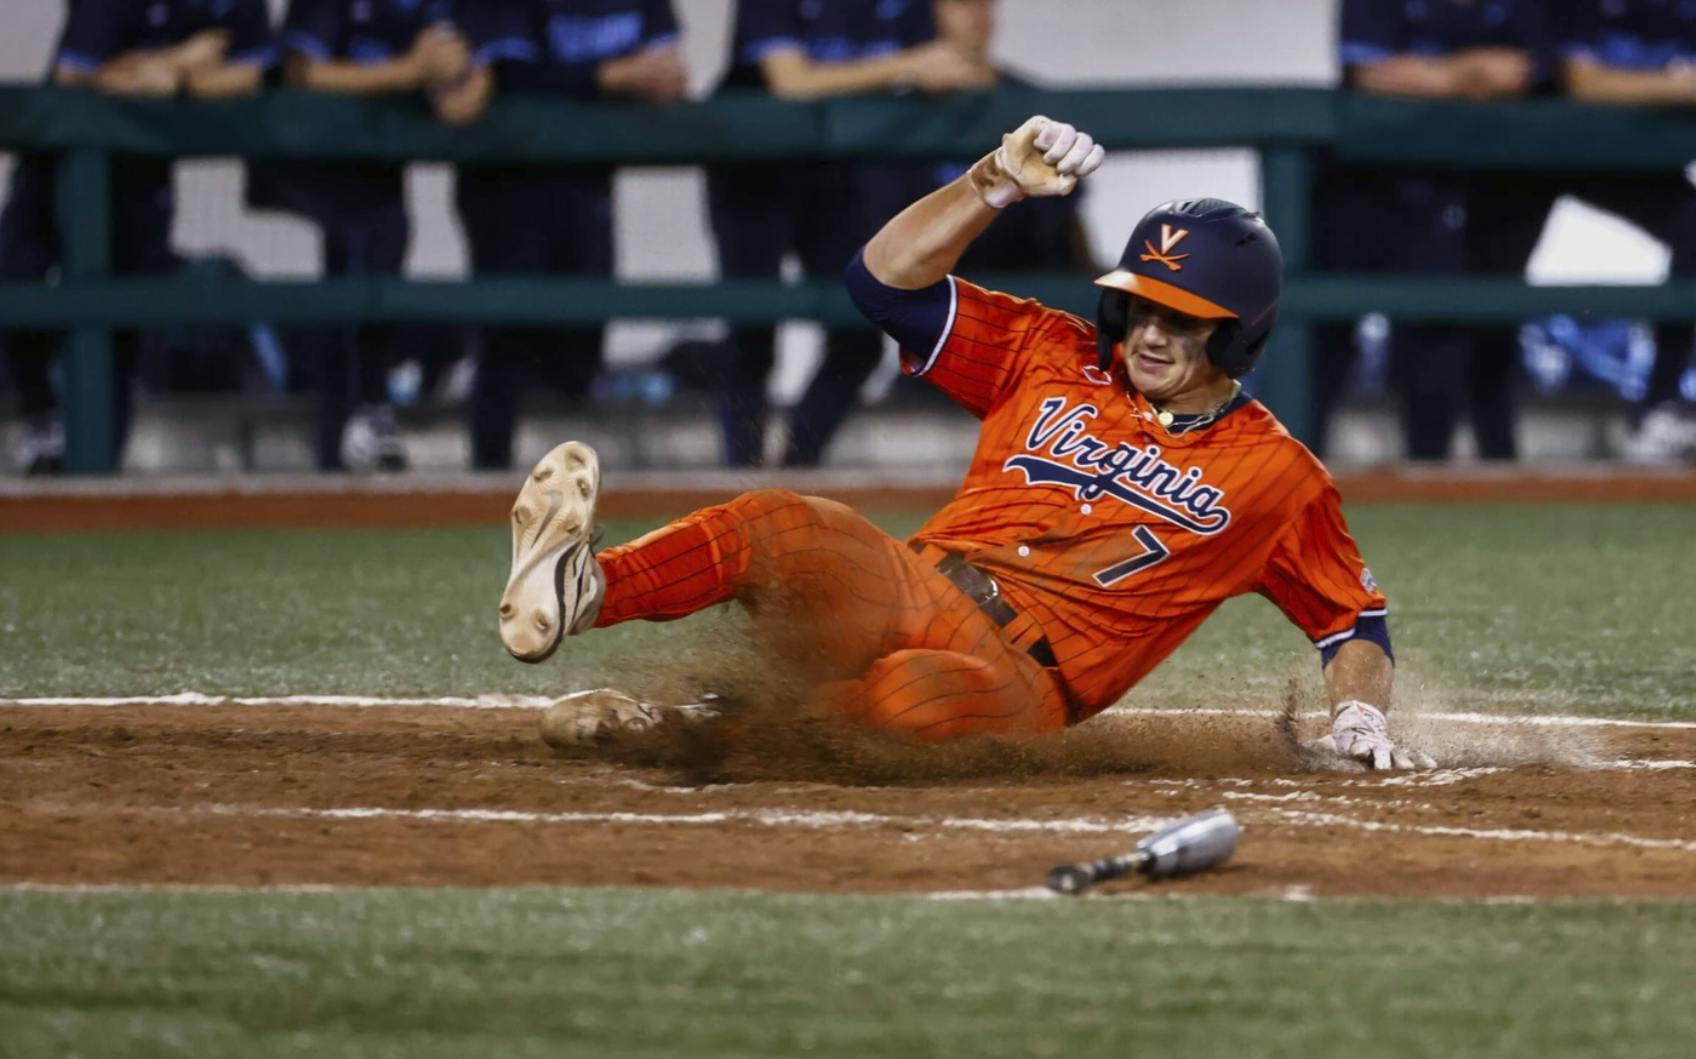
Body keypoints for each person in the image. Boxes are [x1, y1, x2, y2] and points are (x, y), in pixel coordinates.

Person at [495, 116, 1434, 772]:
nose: (1150, 334)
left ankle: (689, 728)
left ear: (1237, 333)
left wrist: (1356, 714)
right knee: (781, 522)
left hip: (1022, 680)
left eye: (1183, 322)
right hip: (914, 584)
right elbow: (881, 286)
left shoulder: (1279, 475)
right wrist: (992, 184)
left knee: (913, 700)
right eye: (1139, 307)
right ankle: (586, 588)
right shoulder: (1050, 349)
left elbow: (1350, 623)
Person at [707, 0, 996, 467]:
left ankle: (794, 471)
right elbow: (791, 82)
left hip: (841, 169)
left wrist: (953, 65)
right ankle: (736, 479)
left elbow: (956, 62)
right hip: (754, 168)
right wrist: (909, 66)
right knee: (752, 329)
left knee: (857, 334)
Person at [1, 0, 273, 474]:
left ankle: (101, 466)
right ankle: (39, 416)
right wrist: (178, 62)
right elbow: (75, 74)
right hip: (52, 171)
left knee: (122, 323)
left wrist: (177, 78)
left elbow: (250, 77)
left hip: (143, 177)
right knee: (15, 279)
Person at [442, 0, 687, 471]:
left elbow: (667, 68)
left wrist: (653, 81)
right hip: (505, 182)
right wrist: (613, 77)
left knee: (581, 344)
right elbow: (511, 76)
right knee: (504, 340)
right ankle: (487, 479)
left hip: (587, 182)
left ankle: (568, 487)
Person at [1312, 0, 1549, 463]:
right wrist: (1467, 77)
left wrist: (1433, 76)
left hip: (1452, 192)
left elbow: (1521, 74)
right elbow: (1371, 73)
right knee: (1321, 345)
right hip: (1353, 188)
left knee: (1439, 352)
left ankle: (1431, 480)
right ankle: (1281, 487)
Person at [251, 0, 478, 472]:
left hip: (379, 172)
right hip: (311, 162)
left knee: (381, 243)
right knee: (365, 251)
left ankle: (365, 416)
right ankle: (353, 422)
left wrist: (458, 83)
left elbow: (458, 69)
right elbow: (302, 70)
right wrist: (409, 70)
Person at [1491, 0, 1696, 463]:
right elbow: (1583, 82)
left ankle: (1663, 410)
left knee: (1693, 230)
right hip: (1522, 156)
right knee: (1485, 292)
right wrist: (1678, 86)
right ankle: (1487, 453)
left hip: (1634, 157)